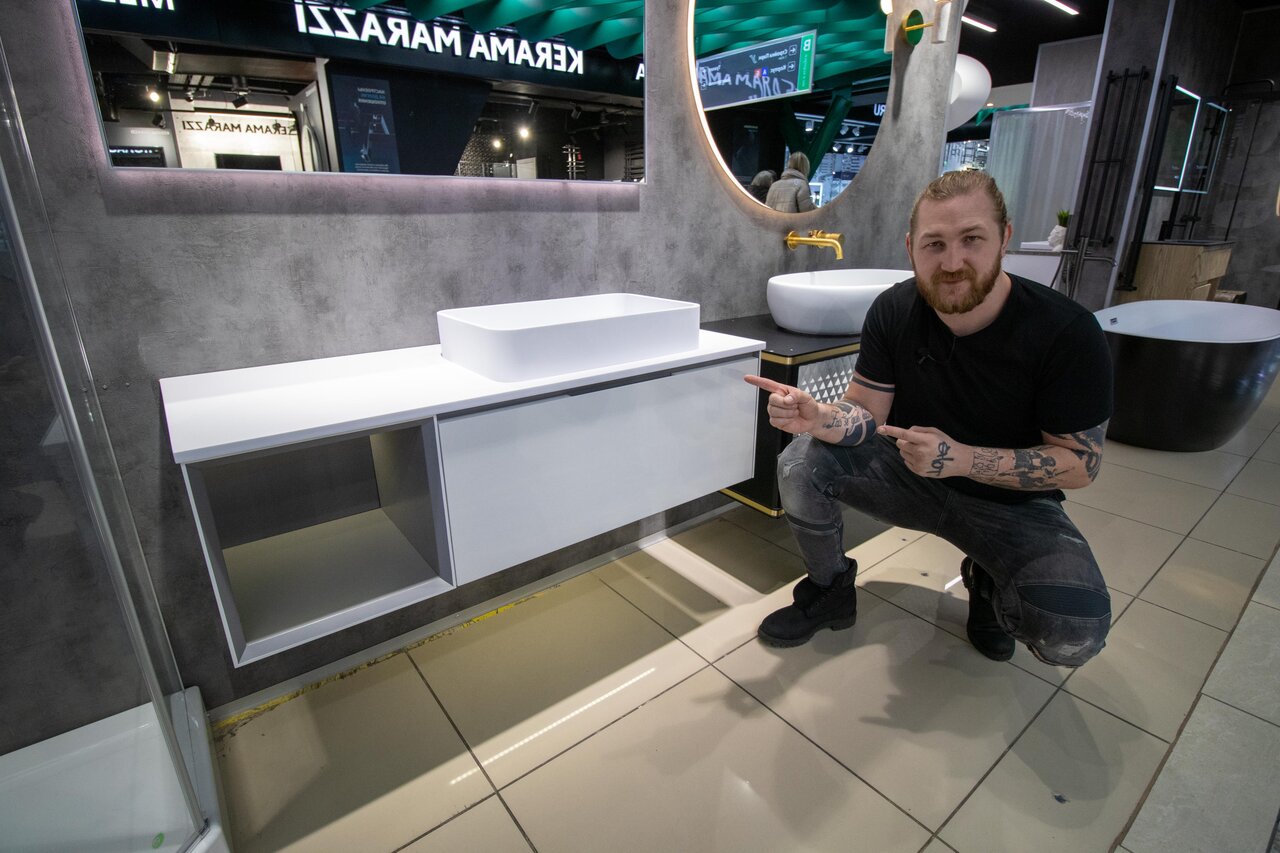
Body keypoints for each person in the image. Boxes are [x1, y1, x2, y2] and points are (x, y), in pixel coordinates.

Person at [744, 170, 1114, 667]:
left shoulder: (1066, 331)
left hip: (1012, 503)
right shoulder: (895, 309)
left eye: (971, 239)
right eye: (934, 244)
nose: (952, 262)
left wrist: (963, 460)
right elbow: (865, 412)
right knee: (798, 464)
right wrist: (818, 416)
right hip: (909, 474)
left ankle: (987, 581)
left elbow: (1080, 464)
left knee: (1073, 631)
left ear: (1004, 238)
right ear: (911, 248)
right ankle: (830, 590)